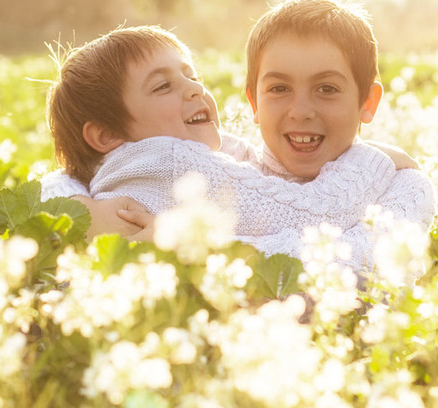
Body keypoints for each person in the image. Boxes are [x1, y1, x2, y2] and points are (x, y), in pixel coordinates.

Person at [110, 0, 438, 352]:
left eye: (326, 89)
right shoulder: (224, 165)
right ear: (253, 103)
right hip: (268, 356)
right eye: (279, 89)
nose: (301, 111)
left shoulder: (402, 183)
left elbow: (364, 262)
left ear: (368, 103)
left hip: (393, 351)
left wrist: (202, 252)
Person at [41, 24, 405, 268]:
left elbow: (255, 170)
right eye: (162, 86)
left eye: (191, 76)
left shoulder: (126, 168)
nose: (195, 89)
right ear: (106, 136)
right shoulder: (169, 161)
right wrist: (378, 159)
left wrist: (72, 208)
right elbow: (315, 213)